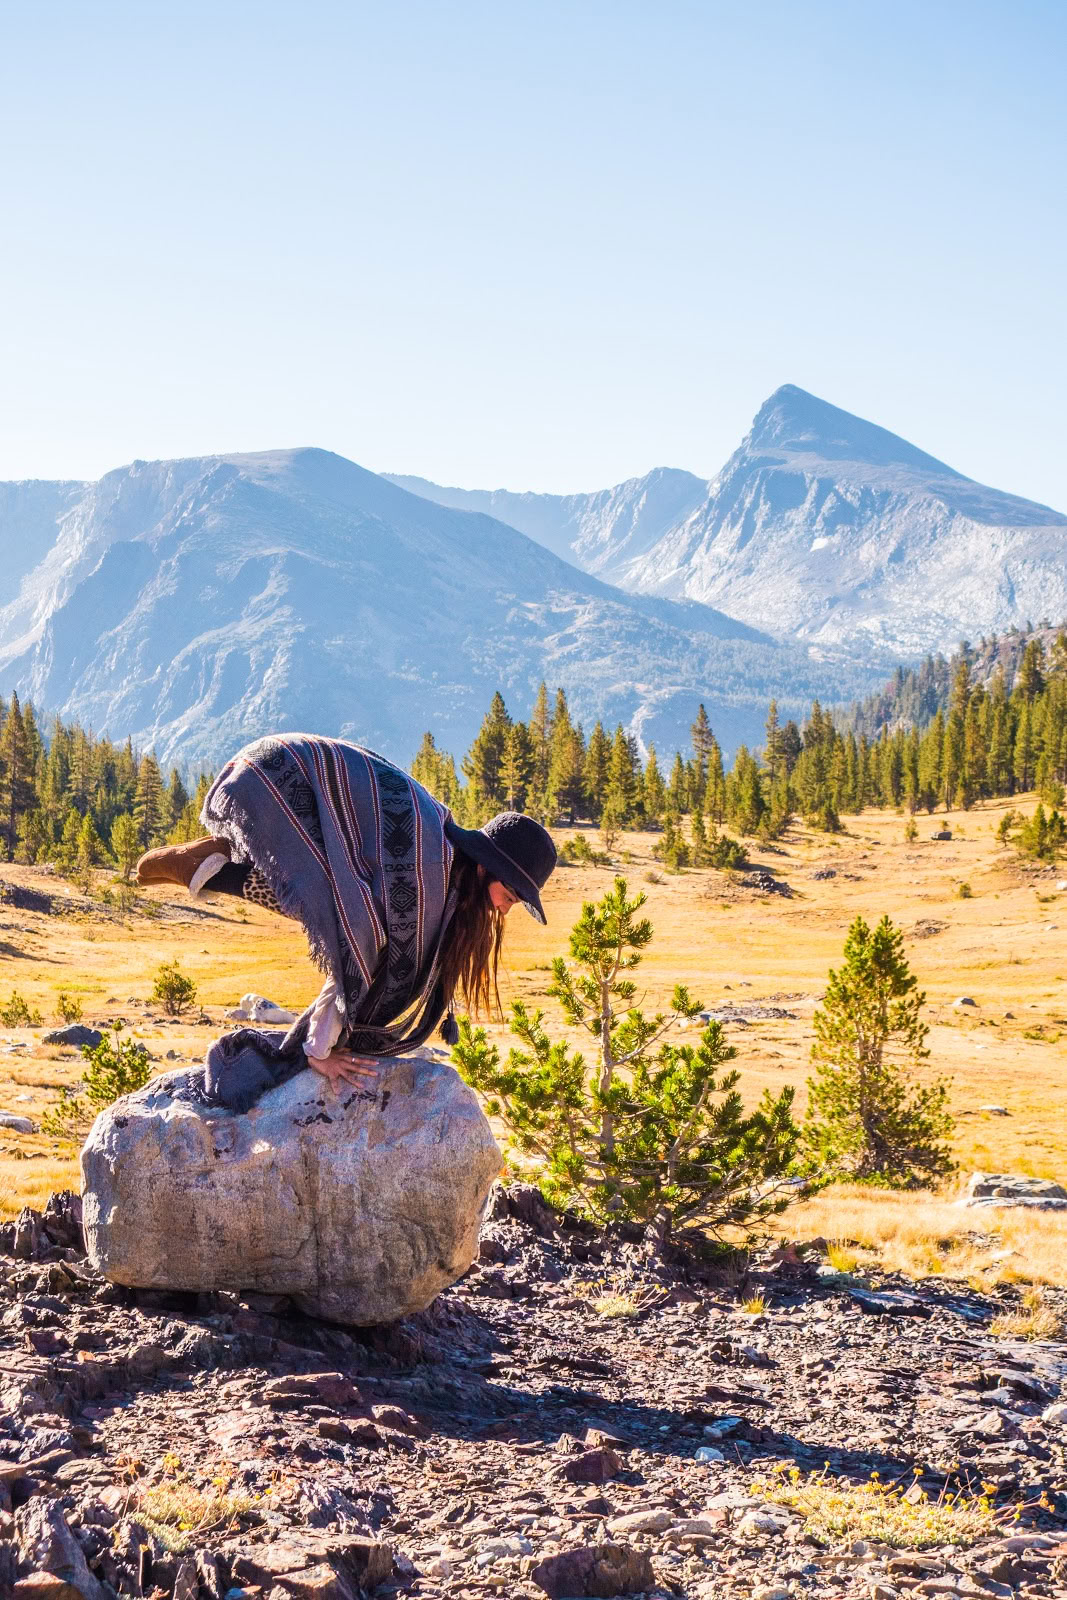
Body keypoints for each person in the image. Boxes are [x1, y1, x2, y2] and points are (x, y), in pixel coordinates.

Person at [136, 732, 557, 1112]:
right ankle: (205, 866)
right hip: (278, 776)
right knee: (321, 901)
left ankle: (208, 865)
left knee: (318, 894)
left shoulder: (443, 866)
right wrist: (319, 1050)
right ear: (486, 868)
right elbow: (356, 943)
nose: (505, 910)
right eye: (510, 896)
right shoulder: (428, 875)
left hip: (285, 769)